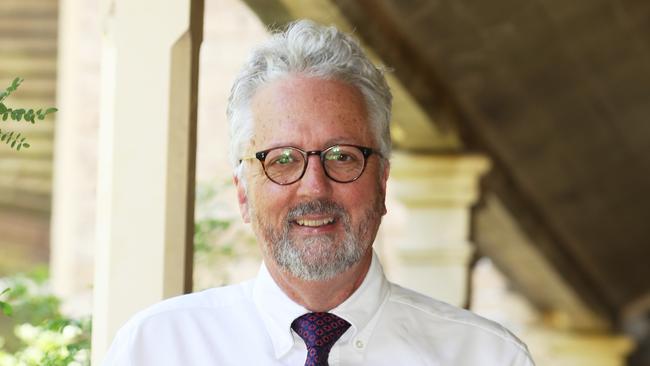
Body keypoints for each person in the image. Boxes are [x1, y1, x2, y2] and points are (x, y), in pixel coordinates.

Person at [103, 20, 535, 366]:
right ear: (242, 194)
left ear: (382, 181)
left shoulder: (487, 357)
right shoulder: (157, 350)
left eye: (342, 156)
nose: (314, 186)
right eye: (283, 160)